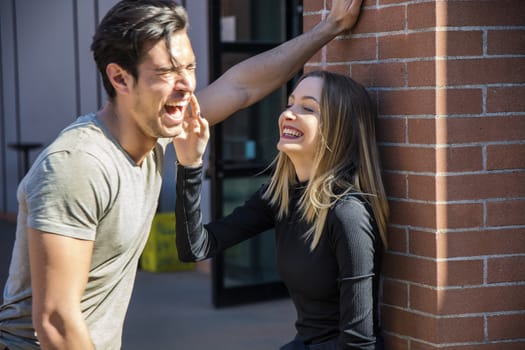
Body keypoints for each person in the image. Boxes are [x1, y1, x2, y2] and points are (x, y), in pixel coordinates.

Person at [0, 0, 364, 349]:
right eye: (166, 72)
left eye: (189, 67)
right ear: (120, 78)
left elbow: (241, 87)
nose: (186, 84)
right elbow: (56, 321)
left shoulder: (155, 132)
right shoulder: (79, 164)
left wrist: (328, 27)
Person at [174, 70, 388, 350]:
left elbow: (358, 345)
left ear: (338, 128)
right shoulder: (281, 196)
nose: (288, 114)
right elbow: (195, 247)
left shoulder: (348, 213)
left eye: (308, 108)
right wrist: (190, 165)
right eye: (290, 103)